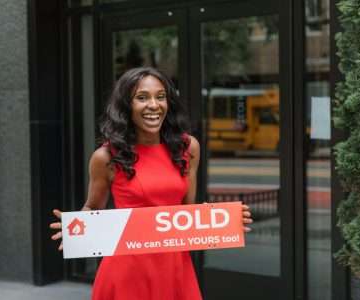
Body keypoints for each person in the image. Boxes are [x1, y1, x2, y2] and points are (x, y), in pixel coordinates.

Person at [49, 67, 253, 300]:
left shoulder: (188, 148)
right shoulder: (106, 157)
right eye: (142, 98)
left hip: (175, 266)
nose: (154, 105)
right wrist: (75, 230)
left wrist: (220, 220)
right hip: (127, 270)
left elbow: (186, 212)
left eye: (161, 96)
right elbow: (92, 208)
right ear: (126, 106)